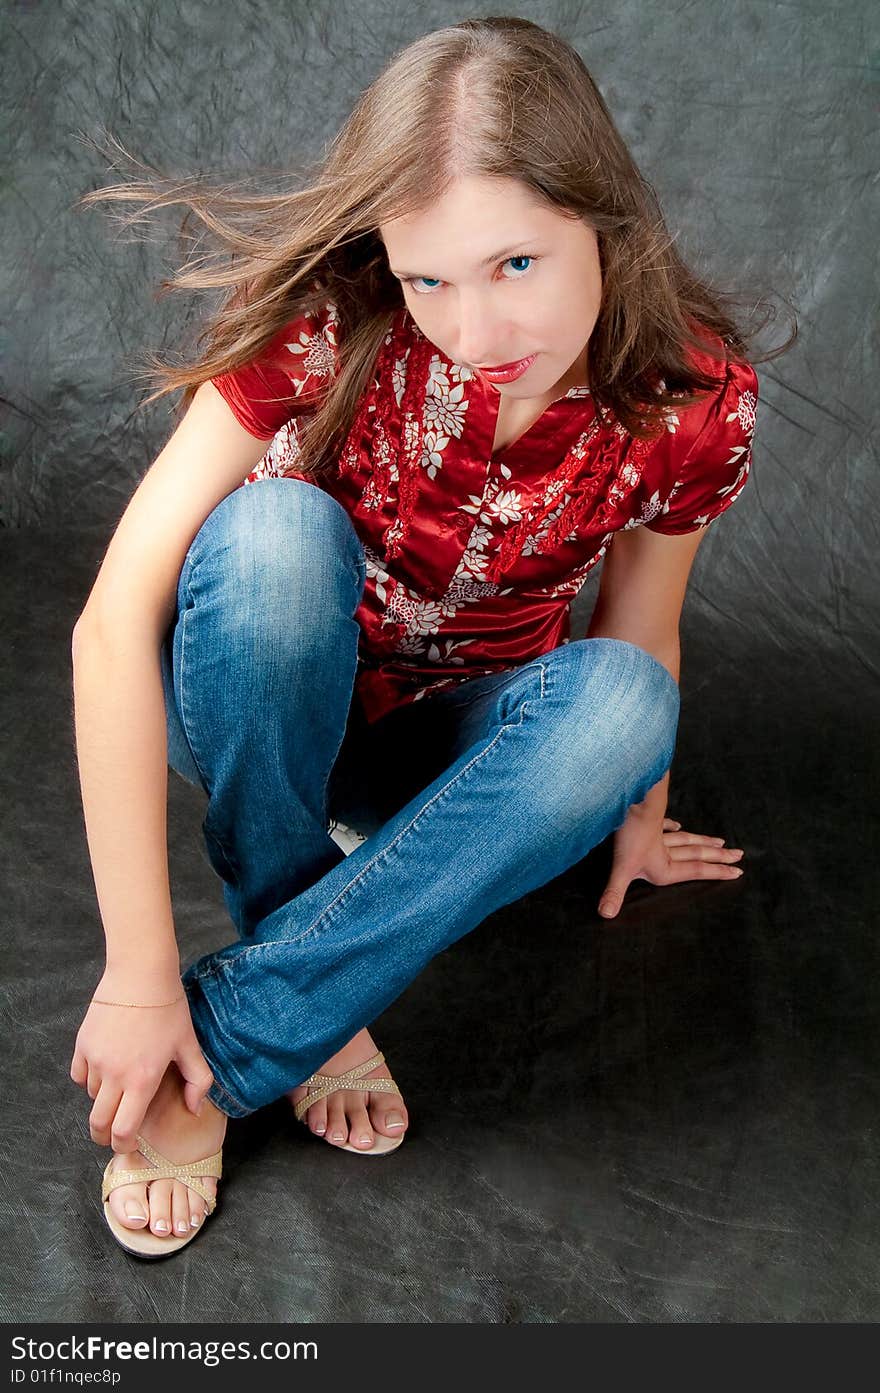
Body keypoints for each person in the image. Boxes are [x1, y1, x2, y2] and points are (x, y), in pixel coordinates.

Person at [68, 16, 793, 1258]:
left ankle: (235, 1039)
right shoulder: (328, 315)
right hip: (260, 697)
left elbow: (642, 632)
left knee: (625, 703)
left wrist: (631, 811)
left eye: (516, 264)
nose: (474, 326)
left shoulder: (690, 397)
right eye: (429, 278)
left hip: (448, 762)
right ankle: (304, 997)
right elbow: (111, 616)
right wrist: (136, 973)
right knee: (275, 531)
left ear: (604, 223)